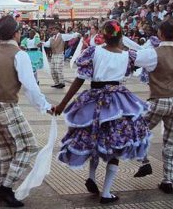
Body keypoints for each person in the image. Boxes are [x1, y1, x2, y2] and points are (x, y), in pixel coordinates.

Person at [54, 20, 151, 204]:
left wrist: (62, 104)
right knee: (116, 144)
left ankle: (91, 176)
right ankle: (106, 193)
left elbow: (79, 80)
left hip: (94, 100)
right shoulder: (127, 55)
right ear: (120, 36)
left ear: (103, 36)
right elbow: (148, 58)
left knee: (94, 138)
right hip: (119, 102)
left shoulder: (94, 51)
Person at [0, 15, 53, 208]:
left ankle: (0, 188)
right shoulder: (19, 54)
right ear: (16, 33)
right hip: (6, 105)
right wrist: (45, 106)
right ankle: (5, 189)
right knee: (29, 146)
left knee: (8, 150)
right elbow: (29, 85)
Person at [132, 18, 173, 194]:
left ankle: (144, 161)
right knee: (170, 142)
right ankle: (167, 180)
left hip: (158, 100)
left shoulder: (153, 53)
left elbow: (132, 58)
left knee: (136, 129)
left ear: (160, 33)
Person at [43, 24, 79, 89]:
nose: (53, 31)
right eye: (52, 30)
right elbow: (47, 44)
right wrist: (42, 43)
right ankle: (57, 83)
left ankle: (61, 82)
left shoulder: (62, 36)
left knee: (58, 69)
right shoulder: (51, 38)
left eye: (54, 30)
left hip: (60, 54)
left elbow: (70, 36)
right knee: (53, 70)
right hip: (54, 55)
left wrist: (77, 34)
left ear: (57, 30)